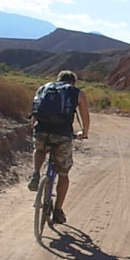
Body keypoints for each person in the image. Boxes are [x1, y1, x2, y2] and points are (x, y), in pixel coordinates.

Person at [27, 70, 90, 224]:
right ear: (73, 82)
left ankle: (35, 173)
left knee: (40, 149)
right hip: (62, 135)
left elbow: (35, 111)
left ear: (58, 79)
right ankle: (57, 211)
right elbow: (85, 115)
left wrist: (34, 129)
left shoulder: (43, 88)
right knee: (63, 173)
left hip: (41, 130)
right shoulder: (76, 92)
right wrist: (84, 133)